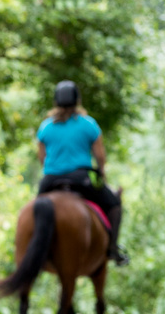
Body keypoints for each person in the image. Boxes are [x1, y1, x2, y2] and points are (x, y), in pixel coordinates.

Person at [35, 79, 127, 265]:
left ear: (56, 101)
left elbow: (41, 157)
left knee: (36, 210)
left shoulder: (45, 126)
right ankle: (112, 249)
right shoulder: (89, 124)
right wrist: (101, 173)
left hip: (50, 180)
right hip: (81, 178)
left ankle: (35, 247)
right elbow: (100, 156)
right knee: (114, 205)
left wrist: (54, 168)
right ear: (77, 100)